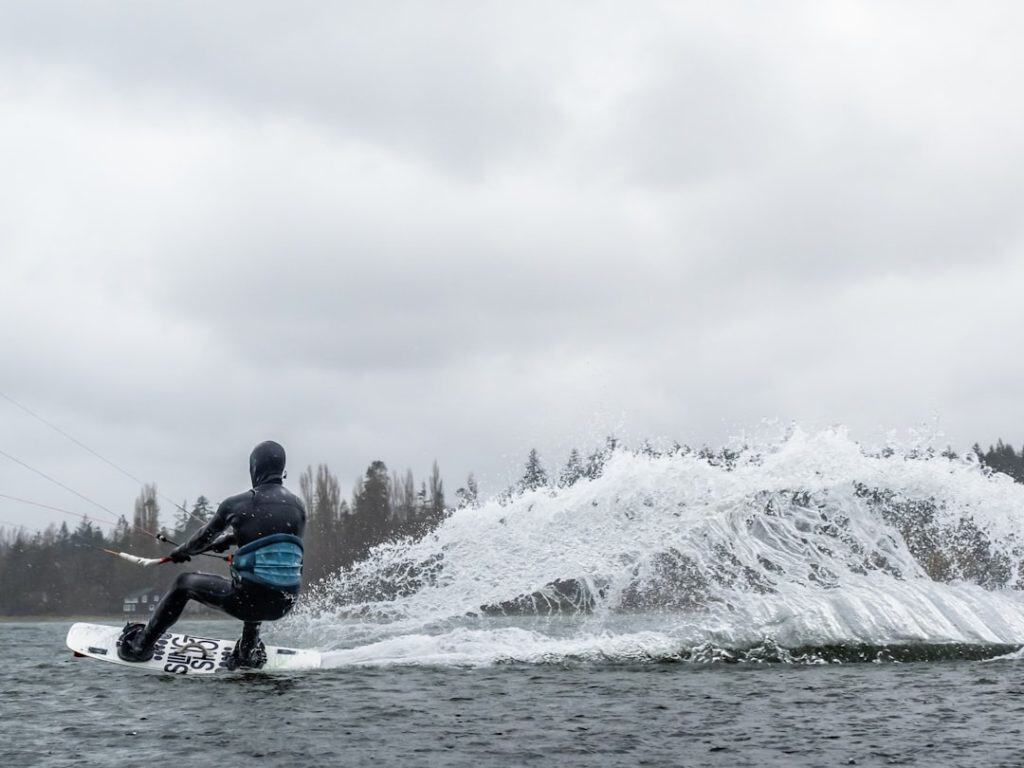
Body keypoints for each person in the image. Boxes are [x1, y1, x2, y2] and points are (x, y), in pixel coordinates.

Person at [118, 440, 306, 669]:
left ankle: (140, 646)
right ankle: (247, 650)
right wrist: (230, 539)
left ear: (254, 468)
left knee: (184, 584)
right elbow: (274, 542)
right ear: (281, 470)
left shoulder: (238, 504)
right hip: (284, 603)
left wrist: (181, 551)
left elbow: (200, 540)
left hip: (250, 601)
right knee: (261, 578)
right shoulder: (298, 507)